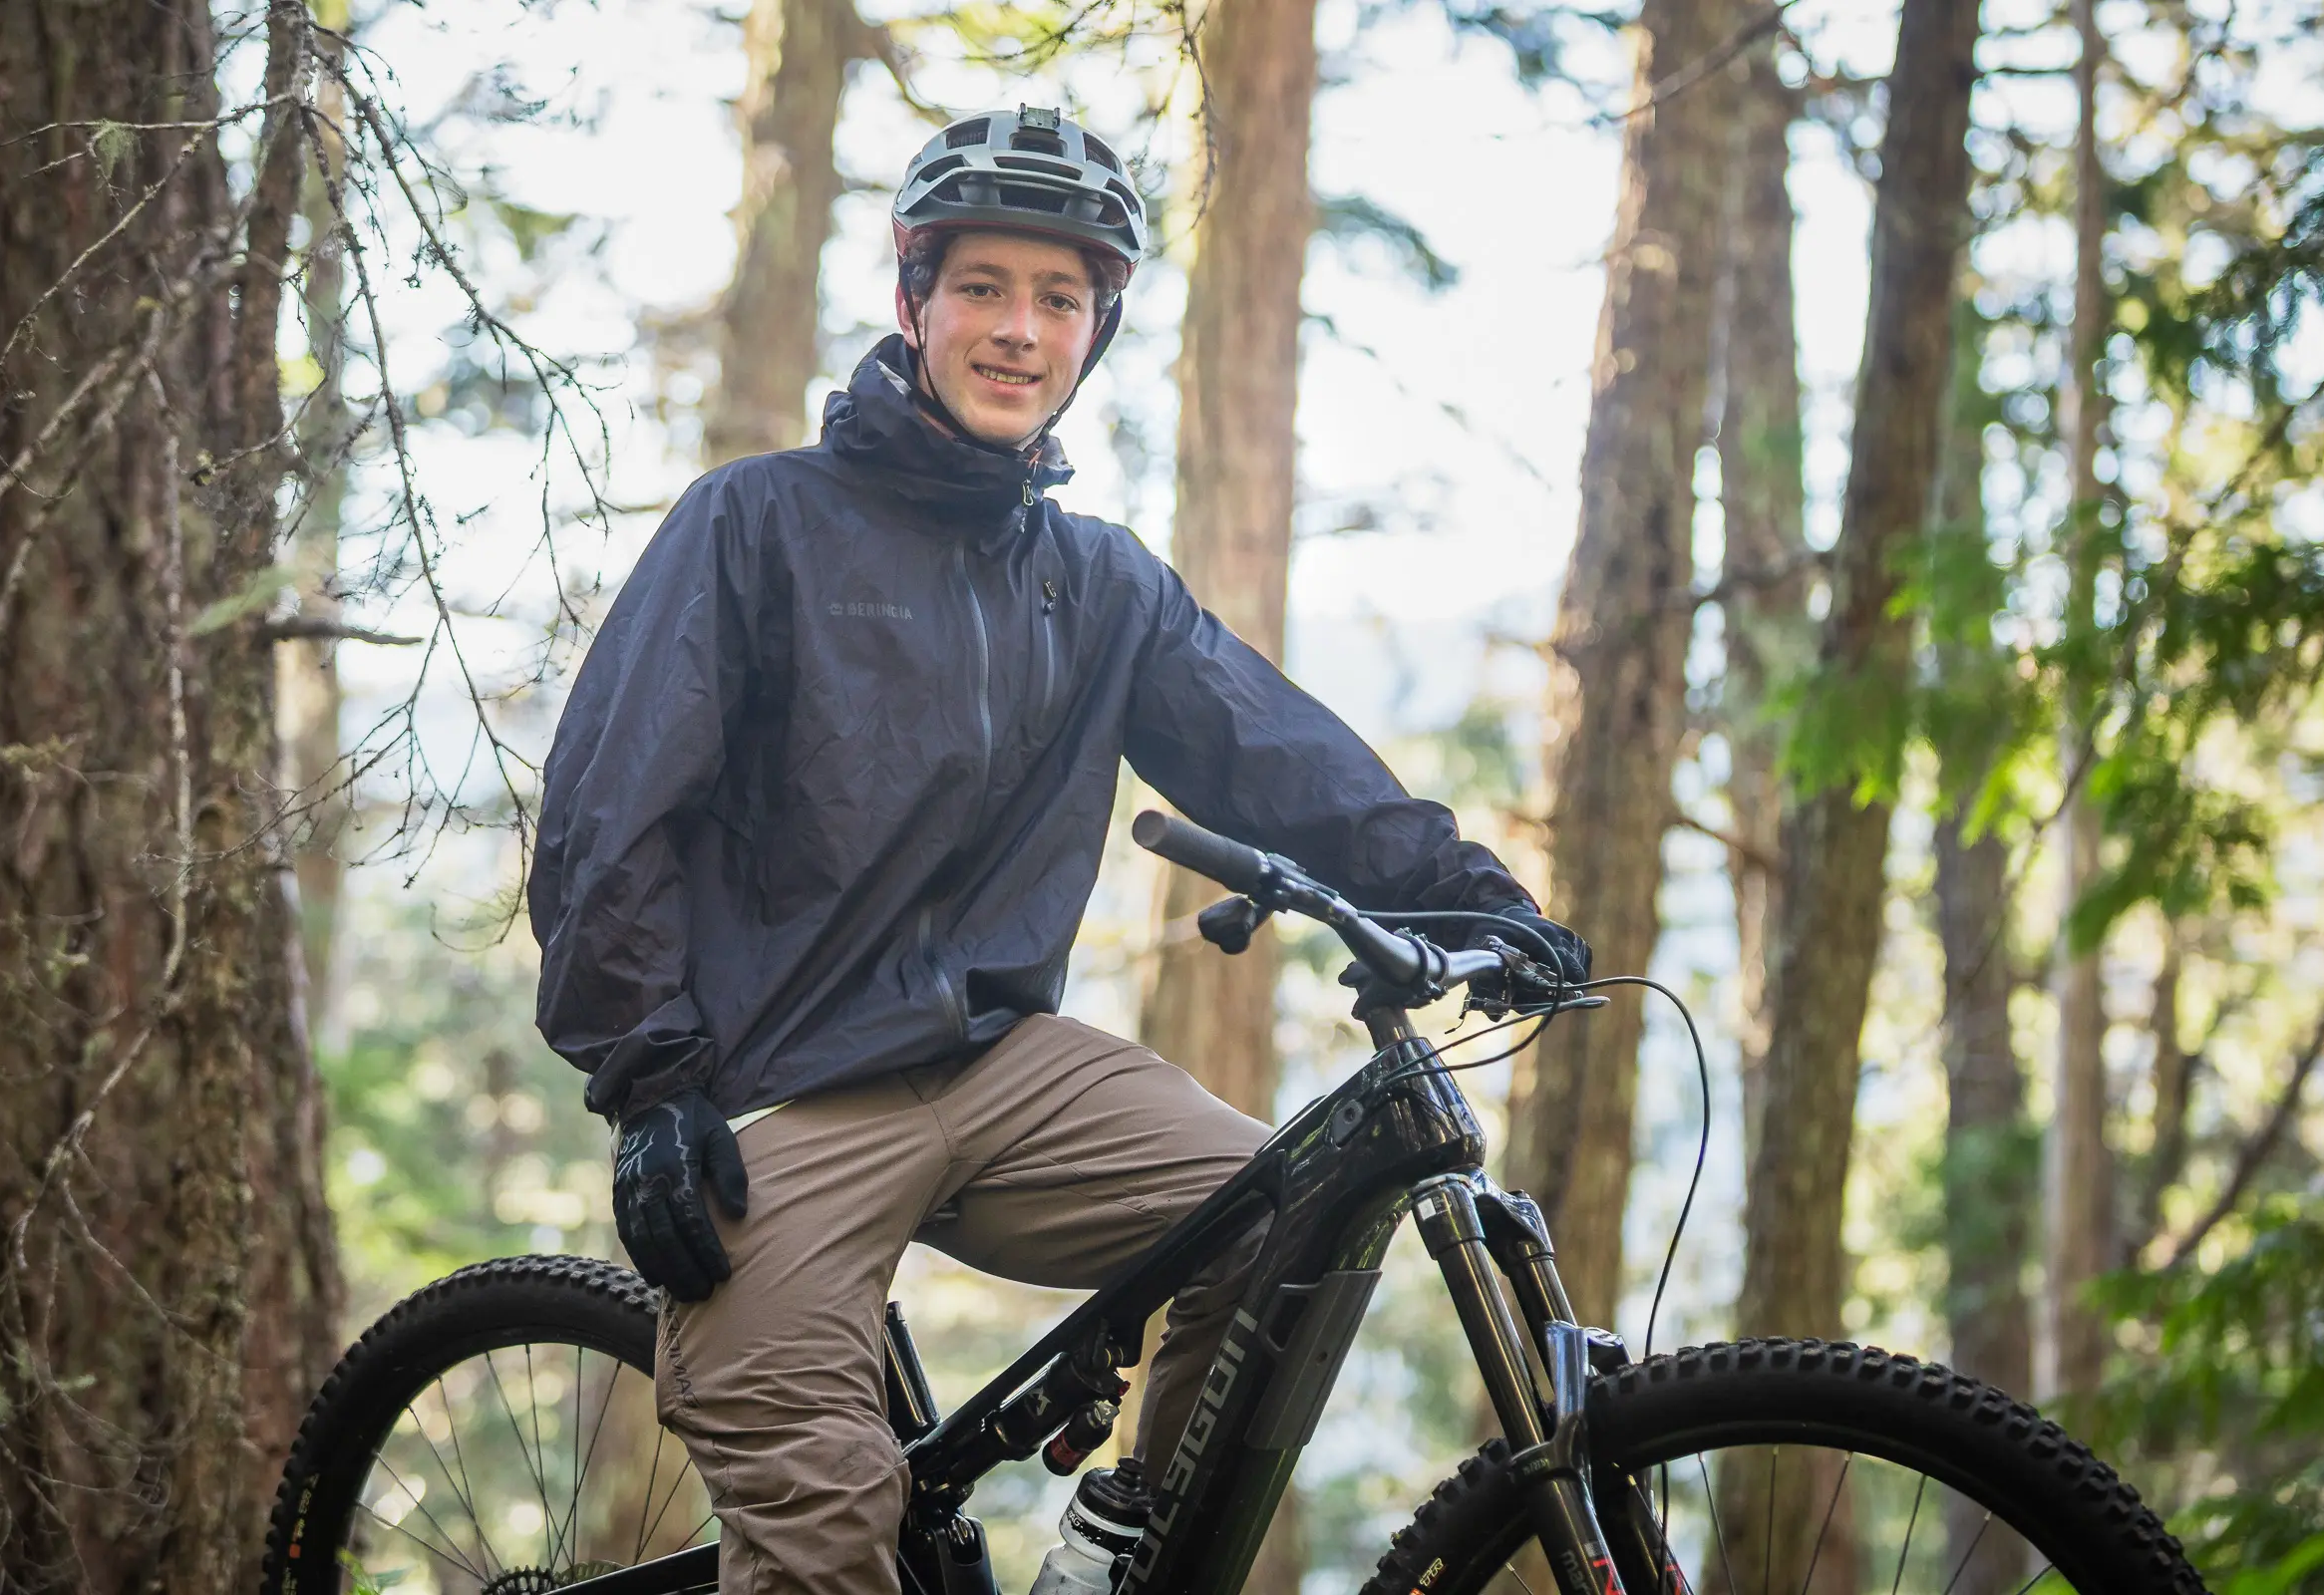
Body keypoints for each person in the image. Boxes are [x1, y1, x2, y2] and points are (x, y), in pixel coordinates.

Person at [527, 105, 1587, 1595]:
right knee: (824, 1517)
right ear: (916, 303)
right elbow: (607, 810)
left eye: (1060, 299)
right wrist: (651, 1082)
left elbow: (1271, 752)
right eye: (983, 288)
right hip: (775, 1094)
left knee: (1293, 1212)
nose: (1019, 329)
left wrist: (1470, 895)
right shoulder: (756, 523)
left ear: (1095, 332)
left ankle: (1122, 1536)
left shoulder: (1096, 582)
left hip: (1001, 1065)